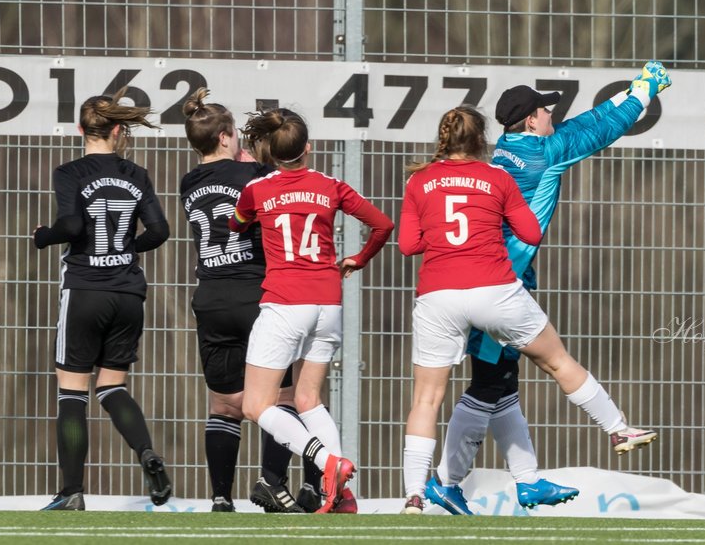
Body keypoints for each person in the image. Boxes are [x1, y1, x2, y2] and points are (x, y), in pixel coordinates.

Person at [427, 61, 671, 514]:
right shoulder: (545, 153)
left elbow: (582, 123)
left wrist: (632, 90)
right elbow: (597, 132)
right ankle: (446, 481)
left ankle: (525, 481)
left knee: (499, 384)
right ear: (533, 119)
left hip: (484, 276)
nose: (551, 114)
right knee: (493, 384)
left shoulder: (509, 149)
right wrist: (643, 95)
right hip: (502, 282)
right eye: (545, 109)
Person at [228, 107, 393, 514]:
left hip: (286, 304)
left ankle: (327, 463)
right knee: (308, 399)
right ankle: (341, 496)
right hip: (328, 302)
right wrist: (359, 258)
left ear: (270, 150)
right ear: (308, 149)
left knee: (255, 405)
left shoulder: (258, 190)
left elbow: (236, 225)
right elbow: (383, 224)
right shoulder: (331, 186)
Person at [178, 87, 319, 513]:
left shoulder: (188, 182)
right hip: (257, 295)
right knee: (283, 398)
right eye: (234, 133)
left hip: (211, 296)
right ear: (224, 136)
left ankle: (221, 497)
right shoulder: (256, 178)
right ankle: (272, 483)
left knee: (224, 404)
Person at [32, 90, 172, 511]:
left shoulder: (70, 171)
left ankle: (71, 491)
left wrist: (44, 236)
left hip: (86, 289)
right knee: (112, 386)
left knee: (72, 392)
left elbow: (73, 224)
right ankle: (147, 452)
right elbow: (160, 231)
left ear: (81, 130)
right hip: (128, 291)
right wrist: (128, 247)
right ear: (117, 130)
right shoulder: (136, 173)